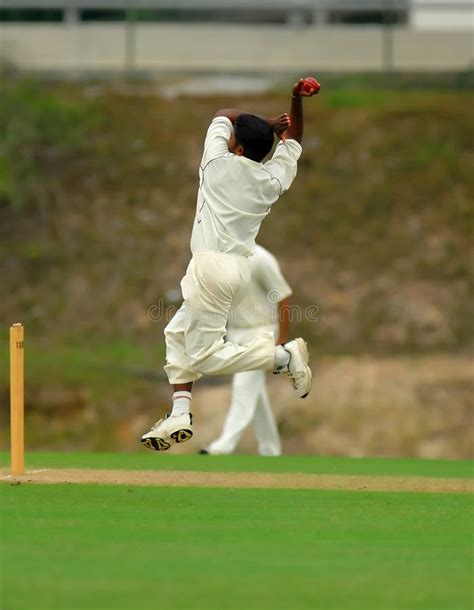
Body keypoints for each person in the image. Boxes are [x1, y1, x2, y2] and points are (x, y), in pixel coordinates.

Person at [141, 78, 318, 452]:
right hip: (234, 266)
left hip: (209, 267)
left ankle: (282, 356)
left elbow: (223, 113)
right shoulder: (272, 180)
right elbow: (295, 141)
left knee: (203, 354)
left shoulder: (216, 163)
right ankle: (179, 412)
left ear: (236, 147)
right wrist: (295, 103)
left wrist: (269, 120)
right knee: (176, 334)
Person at [201, 244, 292, 456]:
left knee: (243, 387)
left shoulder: (261, 259)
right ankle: (270, 450)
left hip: (262, 333)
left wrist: (282, 339)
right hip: (236, 334)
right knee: (254, 393)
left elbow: (283, 296)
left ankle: (223, 445)